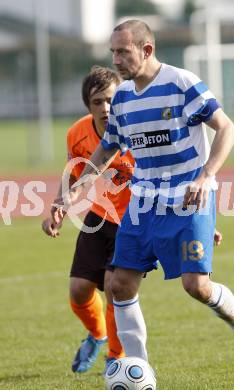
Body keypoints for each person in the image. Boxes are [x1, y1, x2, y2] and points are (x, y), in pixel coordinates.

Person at [62, 20, 234, 384]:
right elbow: (107, 147)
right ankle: (140, 373)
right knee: (119, 284)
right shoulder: (122, 97)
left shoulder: (180, 83)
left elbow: (227, 128)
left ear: (146, 49)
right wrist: (76, 188)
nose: (116, 60)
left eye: (123, 51)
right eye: (113, 52)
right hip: (143, 202)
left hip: (188, 195)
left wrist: (206, 176)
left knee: (196, 286)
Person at [42, 66, 135, 373]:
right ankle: (98, 335)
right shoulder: (78, 132)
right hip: (99, 215)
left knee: (114, 286)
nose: (105, 108)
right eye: (98, 102)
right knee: (79, 290)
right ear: (88, 106)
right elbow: (74, 171)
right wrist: (59, 207)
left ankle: (116, 356)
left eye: (111, 99)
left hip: (134, 221)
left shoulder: (136, 130)